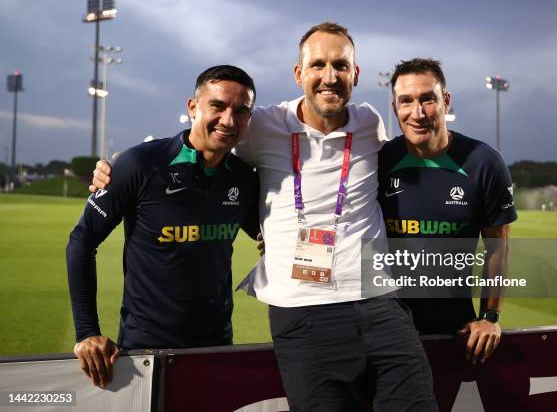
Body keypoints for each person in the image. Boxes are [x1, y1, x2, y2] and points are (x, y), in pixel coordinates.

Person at [91, 23, 438, 411]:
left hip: (381, 303)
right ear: (298, 74)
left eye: (340, 65)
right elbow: (205, 136)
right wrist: (120, 165)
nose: (329, 76)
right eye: (318, 64)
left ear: (355, 74)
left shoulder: (369, 121)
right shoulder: (263, 126)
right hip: (302, 309)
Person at [67, 65, 259, 388]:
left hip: (216, 350)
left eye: (241, 111)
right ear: (193, 107)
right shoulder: (141, 164)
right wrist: (87, 332)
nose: (228, 120)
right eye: (218, 106)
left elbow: (272, 234)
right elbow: (81, 241)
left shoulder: (244, 179)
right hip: (143, 354)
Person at [378, 58, 517, 364]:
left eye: (428, 99)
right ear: (395, 107)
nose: (418, 113)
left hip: (455, 330)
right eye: (406, 101)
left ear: (446, 101)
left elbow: (498, 248)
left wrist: (490, 316)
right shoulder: (379, 161)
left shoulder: (484, 163)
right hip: (385, 329)